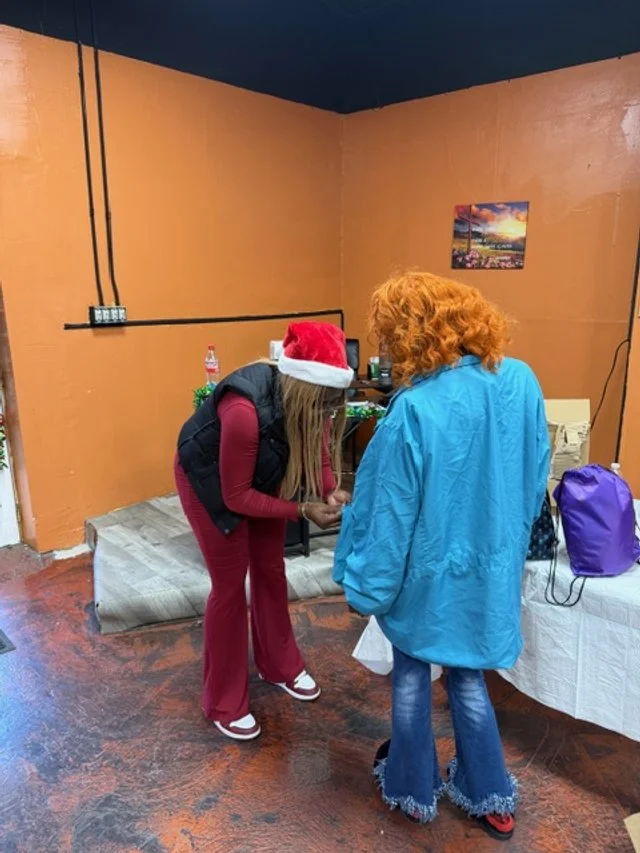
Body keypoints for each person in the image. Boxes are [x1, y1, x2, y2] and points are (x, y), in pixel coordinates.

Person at [333, 272, 550, 840]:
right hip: (489, 570)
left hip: (427, 577)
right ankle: (490, 794)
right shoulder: (521, 382)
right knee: (468, 674)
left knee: (411, 673)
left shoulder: (413, 409)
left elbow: (388, 517)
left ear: (409, 333)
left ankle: (411, 788)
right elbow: (533, 480)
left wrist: (367, 589)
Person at [176, 322, 353, 741]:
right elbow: (236, 497)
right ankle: (223, 700)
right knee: (230, 585)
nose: (327, 412)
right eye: (323, 404)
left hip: (261, 472)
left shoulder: (315, 401)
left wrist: (329, 492)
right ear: (304, 386)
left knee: (271, 569)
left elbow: (319, 445)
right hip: (209, 482)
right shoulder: (244, 409)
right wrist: (301, 508)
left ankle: (280, 666)